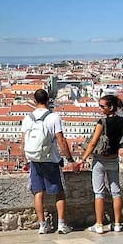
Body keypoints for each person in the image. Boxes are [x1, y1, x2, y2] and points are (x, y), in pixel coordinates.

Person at [21, 89, 77, 234]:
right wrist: (70, 159)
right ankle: (61, 225)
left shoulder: (28, 118)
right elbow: (61, 140)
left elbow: (23, 142)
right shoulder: (54, 117)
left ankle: (42, 225)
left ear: (34, 100)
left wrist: (25, 160)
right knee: (59, 192)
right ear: (48, 100)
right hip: (51, 159)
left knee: (38, 192)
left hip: (34, 159)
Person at [78, 95, 123, 233]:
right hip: (114, 158)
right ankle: (118, 224)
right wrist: (120, 145)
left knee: (99, 193)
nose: (100, 109)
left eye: (102, 106)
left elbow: (93, 142)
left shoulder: (102, 122)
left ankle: (99, 224)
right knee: (116, 192)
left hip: (100, 160)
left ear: (110, 107)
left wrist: (82, 159)